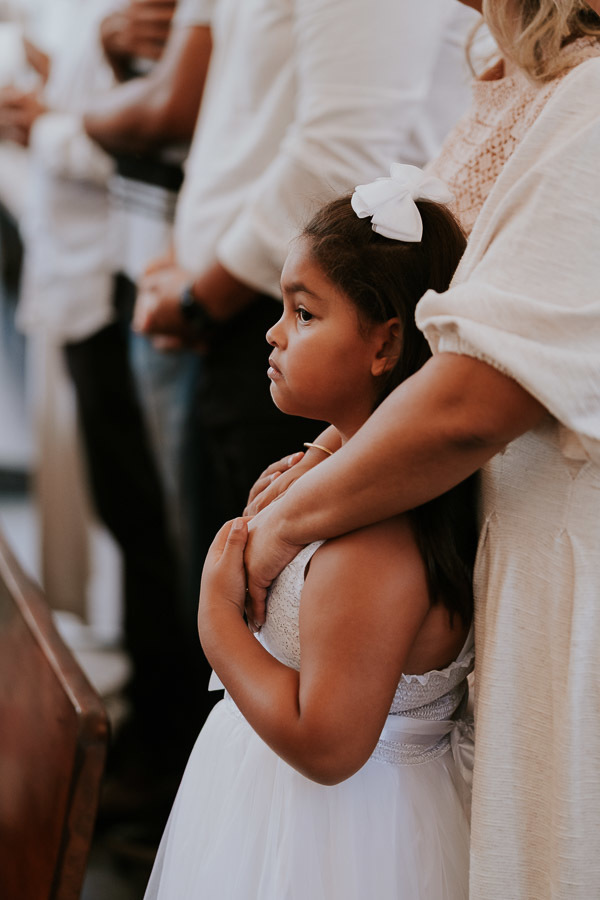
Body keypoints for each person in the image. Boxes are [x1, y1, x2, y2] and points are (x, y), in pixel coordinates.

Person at [244, 3, 600, 897]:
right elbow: (432, 324)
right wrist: (330, 446)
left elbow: (481, 393)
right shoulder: (523, 81)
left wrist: (280, 529)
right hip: (479, 550)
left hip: (563, 576)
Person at [144, 167, 477, 900]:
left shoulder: (374, 545)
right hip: (275, 810)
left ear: (385, 346)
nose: (272, 332)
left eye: (304, 314)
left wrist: (216, 623)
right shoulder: (342, 483)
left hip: (342, 842)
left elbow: (327, 745)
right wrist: (324, 452)